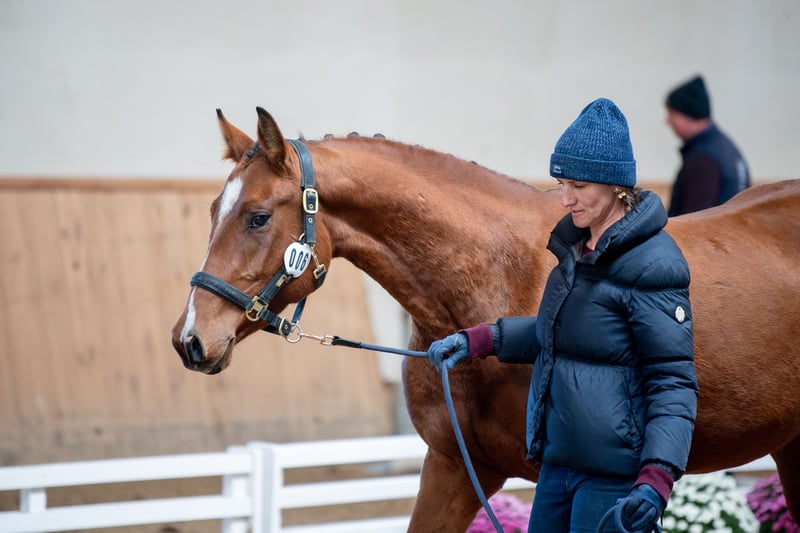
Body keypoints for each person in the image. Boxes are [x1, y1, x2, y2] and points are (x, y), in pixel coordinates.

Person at [427, 98, 698, 533]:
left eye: (578, 185)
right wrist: (480, 339)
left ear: (616, 186)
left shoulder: (654, 264)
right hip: (558, 466)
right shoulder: (576, 250)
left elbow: (673, 380)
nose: (565, 198)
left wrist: (657, 478)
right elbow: (557, 334)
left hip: (612, 478)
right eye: (561, 183)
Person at [665, 75, 751, 216]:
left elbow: (693, 221)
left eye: (672, 114)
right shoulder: (724, 148)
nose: (667, 121)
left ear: (689, 112)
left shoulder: (703, 159)